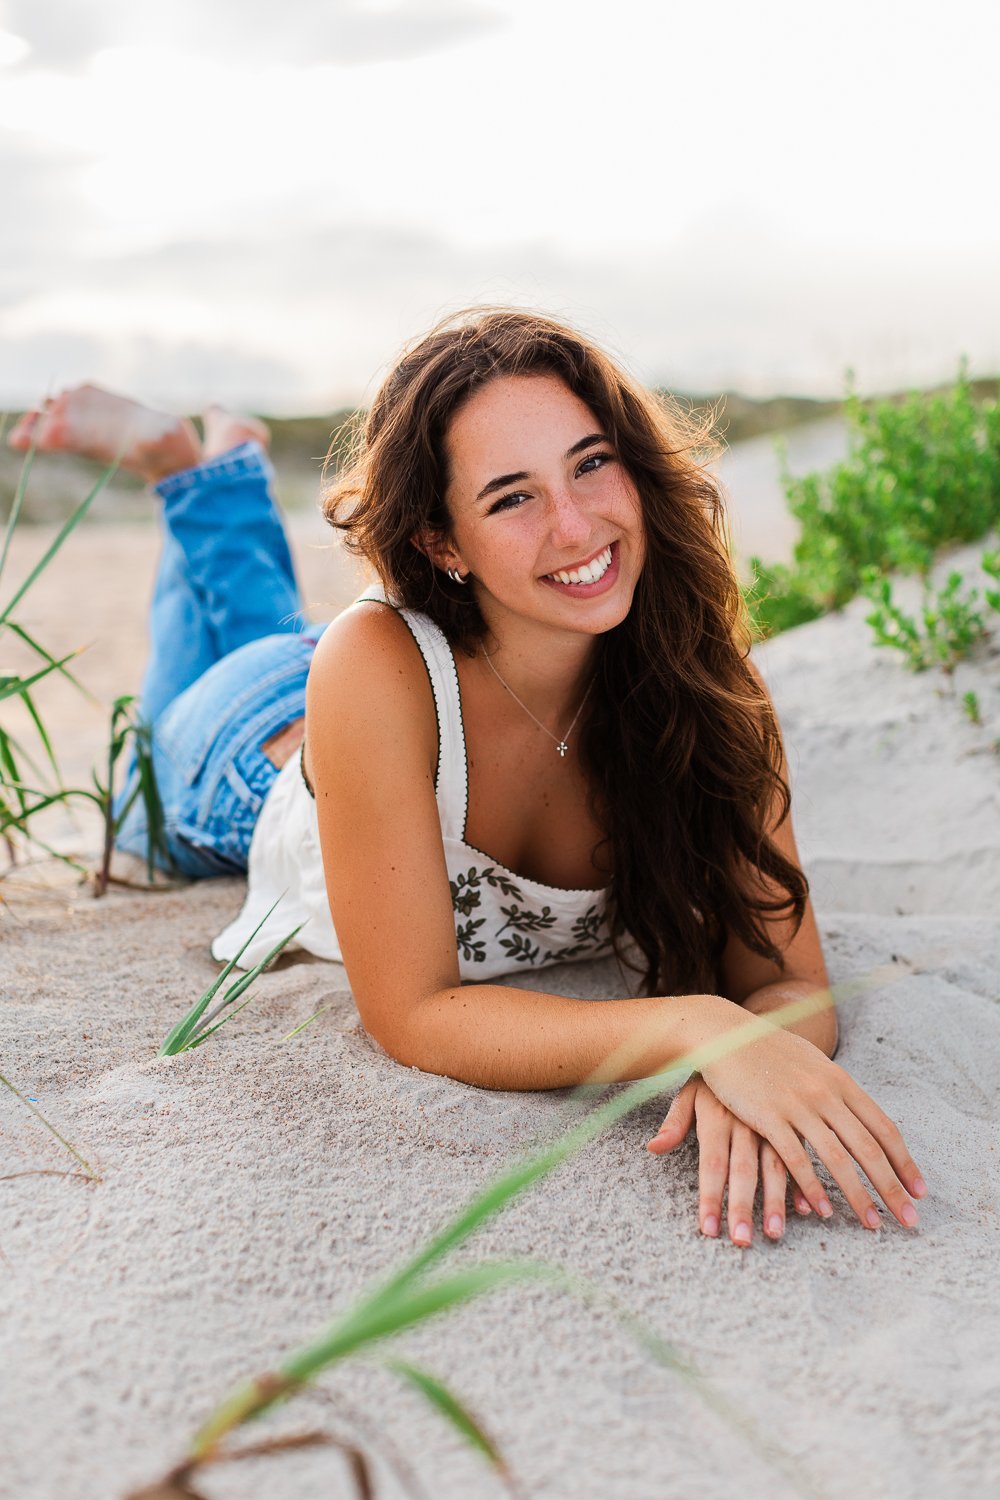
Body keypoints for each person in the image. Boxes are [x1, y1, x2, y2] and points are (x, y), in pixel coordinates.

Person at [9, 308, 927, 1249]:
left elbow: (790, 983)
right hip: (247, 760)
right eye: (511, 498)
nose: (576, 525)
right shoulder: (370, 662)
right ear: (443, 543)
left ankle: (215, 470)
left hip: (384, 692)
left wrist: (749, 1053)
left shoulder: (705, 684)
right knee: (174, 731)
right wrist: (694, 1029)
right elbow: (413, 1013)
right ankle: (194, 475)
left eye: (590, 462)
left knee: (275, 633)